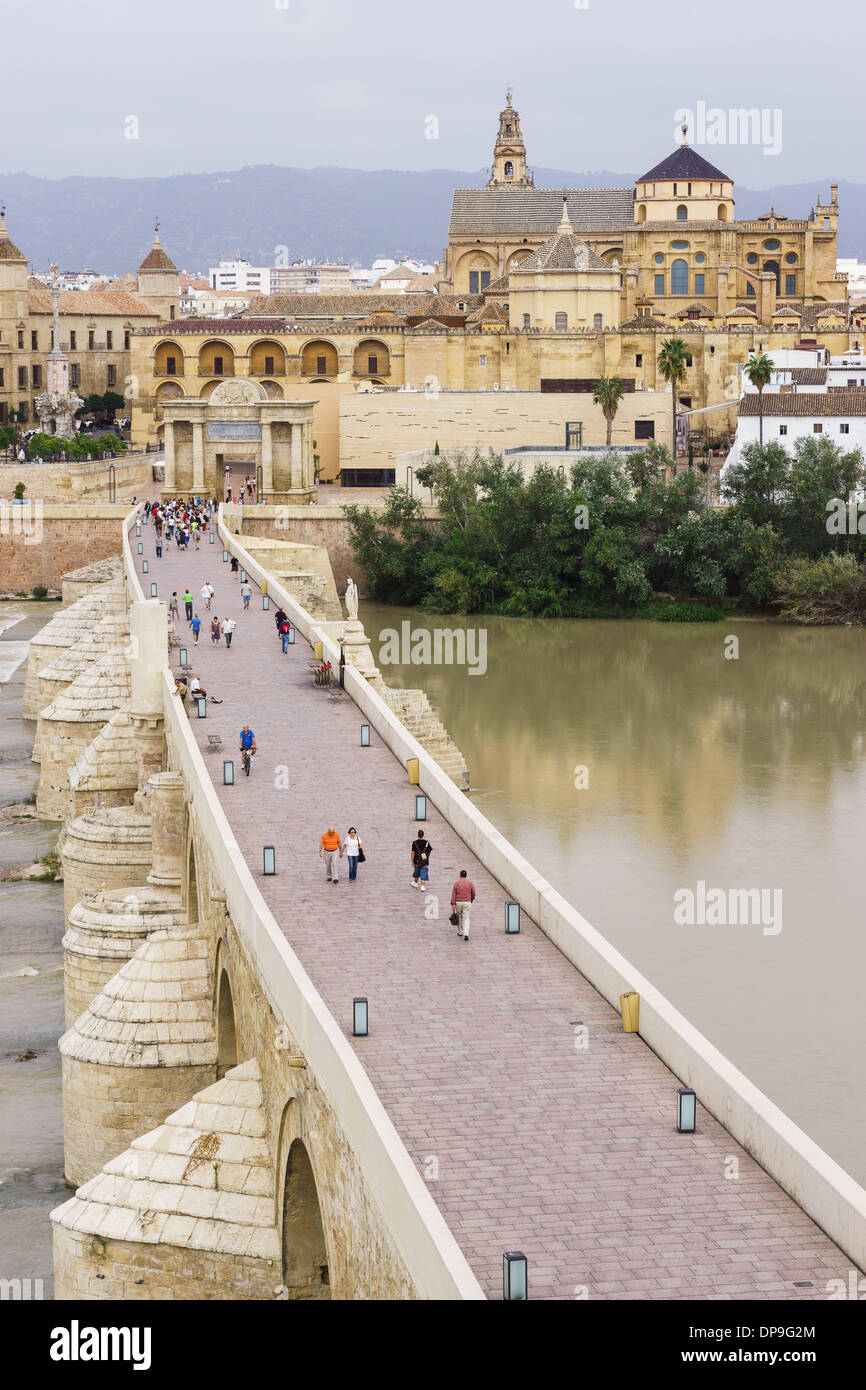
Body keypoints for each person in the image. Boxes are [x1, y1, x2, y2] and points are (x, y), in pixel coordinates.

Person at [450, 869, 476, 942]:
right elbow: (473, 893)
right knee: (466, 918)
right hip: (467, 902)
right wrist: (471, 900)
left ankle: (460, 932)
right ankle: (466, 934)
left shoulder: (456, 883)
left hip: (458, 902)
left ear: (460, 875)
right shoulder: (470, 883)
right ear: (466, 875)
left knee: (460, 917)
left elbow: (453, 894)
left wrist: (452, 904)